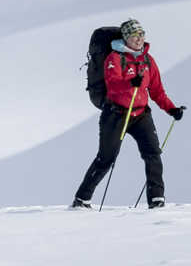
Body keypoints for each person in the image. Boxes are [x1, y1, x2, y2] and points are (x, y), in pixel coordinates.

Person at [71, 19, 184, 208]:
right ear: (126, 38)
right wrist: (131, 83)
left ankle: (157, 200)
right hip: (115, 114)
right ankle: (82, 199)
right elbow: (113, 85)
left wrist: (172, 109)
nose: (139, 39)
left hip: (141, 115)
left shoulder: (148, 60)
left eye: (141, 34)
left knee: (153, 154)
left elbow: (157, 91)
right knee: (106, 158)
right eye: (134, 35)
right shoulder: (114, 58)